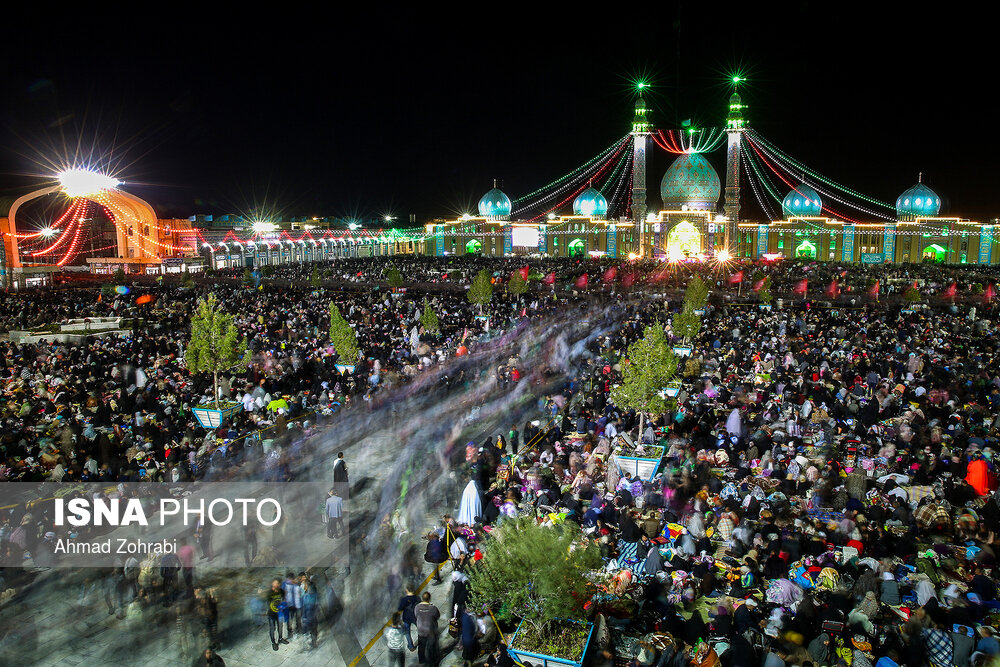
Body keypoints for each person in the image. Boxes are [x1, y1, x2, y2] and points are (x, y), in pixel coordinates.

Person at [414, 591, 440, 667]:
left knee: (421, 646)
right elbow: (437, 616)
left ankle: (421, 660)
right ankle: (432, 662)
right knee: (431, 648)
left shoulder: (417, 607)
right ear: (429, 599)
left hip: (421, 630)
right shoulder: (433, 608)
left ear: (422, 598)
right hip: (430, 631)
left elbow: (416, 615)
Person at [265, 578, 287, 650]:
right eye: (274, 583)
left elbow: (284, 599)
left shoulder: (281, 591)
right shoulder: (269, 593)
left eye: (277, 583)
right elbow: (268, 603)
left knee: (280, 626)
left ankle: (280, 638)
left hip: (279, 612)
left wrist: (282, 606)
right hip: (272, 613)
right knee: (272, 628)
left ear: (279, 584)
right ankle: (273, 643)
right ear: (272, 584)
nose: (275, 584)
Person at [398, 585, 420, 651]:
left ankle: (411, 646)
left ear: (407, 590)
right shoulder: (417, 598)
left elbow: (399, 609)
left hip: (406, 617)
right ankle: (422, 642)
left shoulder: (404, 600)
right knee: (420, 629)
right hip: (415, 617)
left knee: (407, 632)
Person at [301, 578, 320, 648]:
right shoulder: (315, 595)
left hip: (309, 616)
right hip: (313, 616)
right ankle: (313, 642)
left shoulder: (307, 596)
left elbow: (306, 608)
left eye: (305, 585)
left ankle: (311, 643)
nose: (304, 587)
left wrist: (304, 618)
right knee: (314, 630)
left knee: (309, 630)